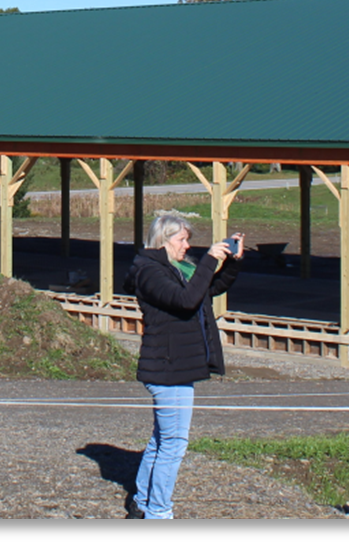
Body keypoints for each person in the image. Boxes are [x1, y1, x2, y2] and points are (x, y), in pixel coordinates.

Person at [124, 214, 243, 519]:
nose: (187, 246)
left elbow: (208, 290)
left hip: (173, 366)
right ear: (163, 241)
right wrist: (208, 260)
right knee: (174, 445)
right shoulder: (149, 272)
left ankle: (141, 502)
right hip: (169, 368)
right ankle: (159, 512)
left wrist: (230, 263)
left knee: (162, 439)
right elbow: (187, 299)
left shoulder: (173, 269)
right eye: (182, 240)